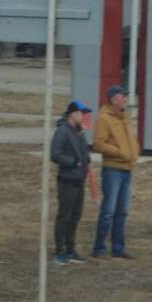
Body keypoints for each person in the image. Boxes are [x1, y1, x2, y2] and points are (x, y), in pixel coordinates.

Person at [91, 83, 139, 259]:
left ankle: (118, 248)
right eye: (122, 96)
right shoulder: (104, 119)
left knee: (122, 211)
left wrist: (134, 150)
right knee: (109, 210)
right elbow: (98, 144)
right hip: (113, 170)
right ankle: (99, 247)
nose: (125, 99)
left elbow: (131, 138)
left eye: (125, 96)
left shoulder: (125, 117)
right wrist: (120, 153)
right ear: (113, 99)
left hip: (127, 169)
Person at [50, 99, 93, 265]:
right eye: (82, 113)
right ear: (73, 114)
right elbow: (55, 154)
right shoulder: (62, 131)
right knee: (64, 216)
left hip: (79, 180)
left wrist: (86, 158)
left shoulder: (79, 131)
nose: (84, 116)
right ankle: (60, 251)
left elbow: (83, 152)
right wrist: (73, 162)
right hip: (67, 180)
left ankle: (70, 249)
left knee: (75, 216)